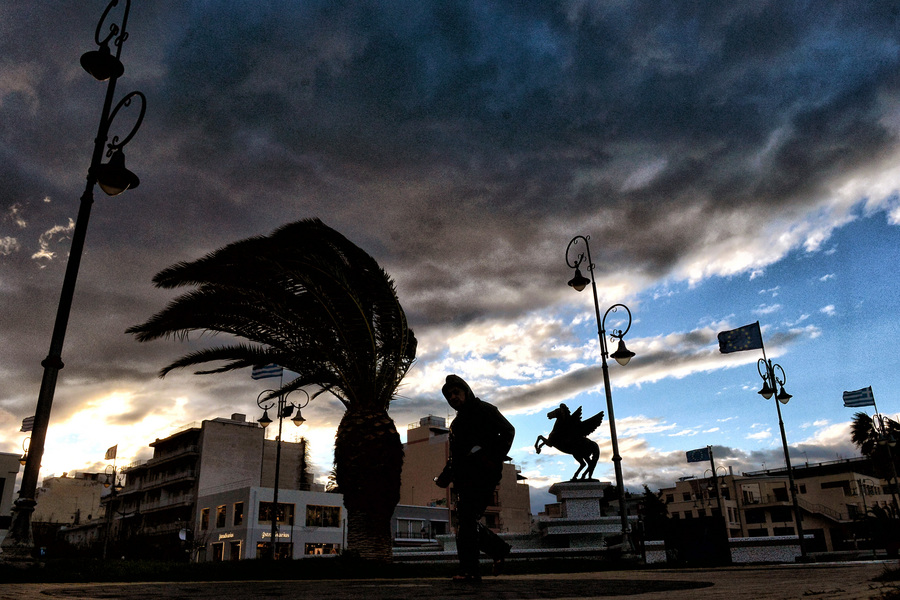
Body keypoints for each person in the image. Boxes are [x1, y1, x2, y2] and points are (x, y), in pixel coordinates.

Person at [434, 374, 514, 581]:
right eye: (449, 395)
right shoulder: (457, 424)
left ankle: (470, 570)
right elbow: (457, 457)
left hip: (484, 476)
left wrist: (488, 457)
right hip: (463, 479)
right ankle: (497, 550)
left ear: (466, 391)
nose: (453, 397)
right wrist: (444, 476)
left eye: (456, 392)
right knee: (466, 522)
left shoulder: (485, 410)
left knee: (467, 520)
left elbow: (508, 431)